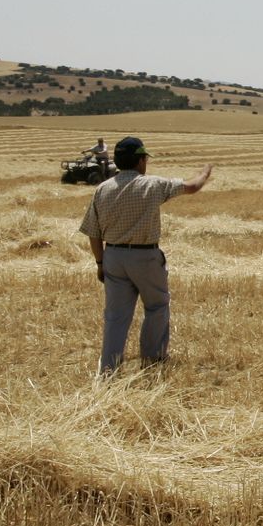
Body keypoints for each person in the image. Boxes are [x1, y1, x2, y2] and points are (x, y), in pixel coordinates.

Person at [79, 136, 213, 374]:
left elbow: (93, 233)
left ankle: (109, 369)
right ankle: (152, 359)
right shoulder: (153, 185)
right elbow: (192, 187)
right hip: (145, 256)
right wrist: (205, 172)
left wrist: (100, 262)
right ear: (140, 160)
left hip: (113, 256)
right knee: (156, 306)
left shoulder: (102, 189)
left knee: (116, 316)